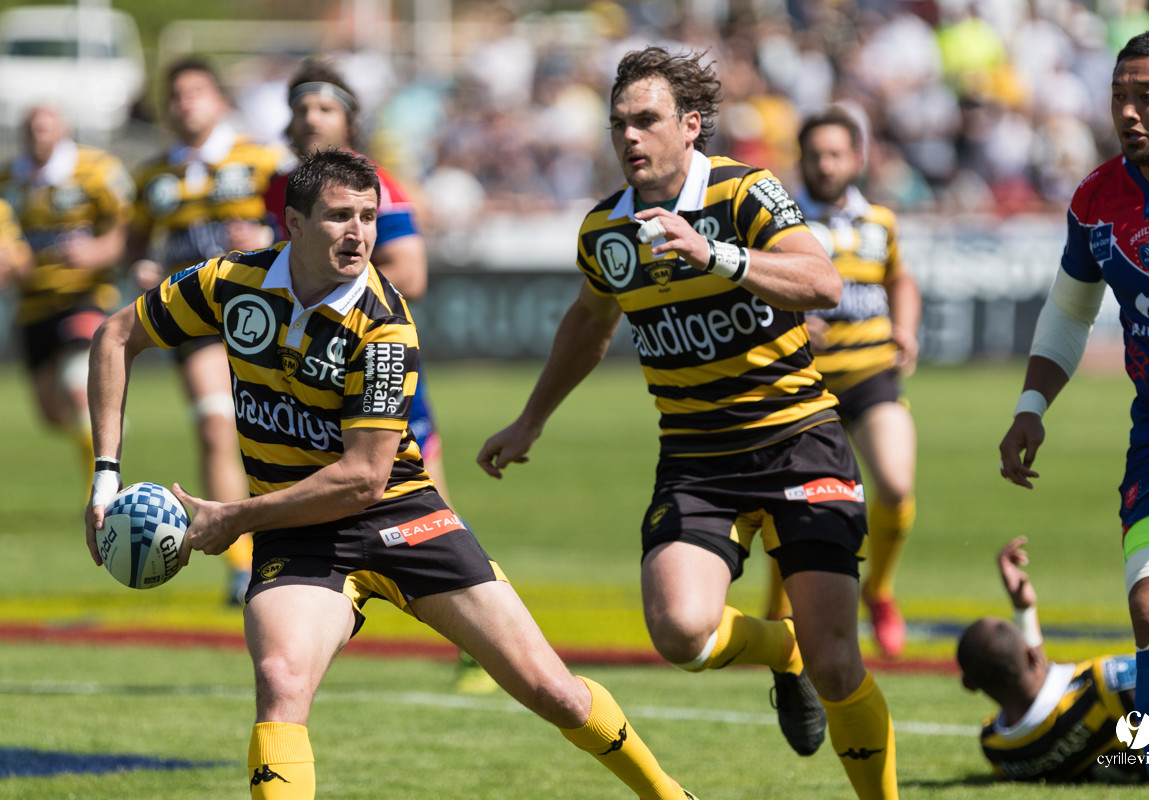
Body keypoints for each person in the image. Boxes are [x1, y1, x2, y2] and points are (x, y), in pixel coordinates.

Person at [84, 149, 697, 800]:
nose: (359, 233)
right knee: (281, 681)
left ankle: (667, 794)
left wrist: (236, 518)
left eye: (369, 216)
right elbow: (116, 335)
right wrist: (105, 478)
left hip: (401, 517)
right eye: (339, 216)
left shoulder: (383, 323)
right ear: (294, 223)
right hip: (299, 531)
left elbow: (362, 480)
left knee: (555, 693)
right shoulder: (231, 281)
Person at [478, 46, 898, 799]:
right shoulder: (605, 229)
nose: (630, 137)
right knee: (679, 633)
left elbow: (823, 281)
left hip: (799, 443)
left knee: (840, 667)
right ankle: (784, 651)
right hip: (698, 458)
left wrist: (717, 256)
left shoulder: (744, 192)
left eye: (646, 120)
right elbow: (590, 321)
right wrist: (530, 419)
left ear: (691, 125)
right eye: (618, 124)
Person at [999, 29, 1149, 798]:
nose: (1129, 112)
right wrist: (1031, 404)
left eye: (1148, 96)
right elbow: (1069, 312)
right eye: (1120, 97)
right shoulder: (1095, 200)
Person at [262, 55, 494, 694]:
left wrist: (324, 302)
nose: (312, 119)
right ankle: (301, 642)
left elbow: (410, 273)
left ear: (350, 121)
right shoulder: (273, 189)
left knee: (431, 513)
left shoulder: (376, 184)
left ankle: (482, 640)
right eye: (302, 108)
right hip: (297, 382)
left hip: (372, 371)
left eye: (326, 108)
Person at [763, 106, 921, 659]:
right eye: (815, 155)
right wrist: (790, 319)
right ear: (801, 160)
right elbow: (753, 289)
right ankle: (778, 613)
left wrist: (905, 327)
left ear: (857, 158)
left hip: (872, 375)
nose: (826, 165)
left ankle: (880, 591)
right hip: (804, 384)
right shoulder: (778, 223)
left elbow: (901, 279)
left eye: (835, 154)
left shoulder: (880, 222)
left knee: (896, 487)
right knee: (793, 504)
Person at [128, 57, 285, 604]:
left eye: (196, 91)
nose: (185, 103)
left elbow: (298, 223)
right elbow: (134, 242)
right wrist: (142, 268)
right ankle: (242, 567)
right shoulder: (153, 177)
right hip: (197, 318)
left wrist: (265, 234)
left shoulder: (262, 160)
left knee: (277, 433)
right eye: (175, 95)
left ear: (220, 100)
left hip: (261, 310)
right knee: (217, 427)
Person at [0, 105, 133, 481]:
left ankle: (102, 489)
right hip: (33, 305)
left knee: (77, 384)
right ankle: (101, 431)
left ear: (64, 129)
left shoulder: (97, 169)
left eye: (46, 126)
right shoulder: (9, 179)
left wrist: (98, 251)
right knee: (50, 412)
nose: (38, 134)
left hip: (85, 295)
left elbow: (126, 226)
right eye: (31, 128)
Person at [958, 537, 1148, 783]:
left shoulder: (998, 751)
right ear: (1031, 656)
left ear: (969, 685)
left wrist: (1024, 610)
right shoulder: (1108, 688)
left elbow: (1041, 698)